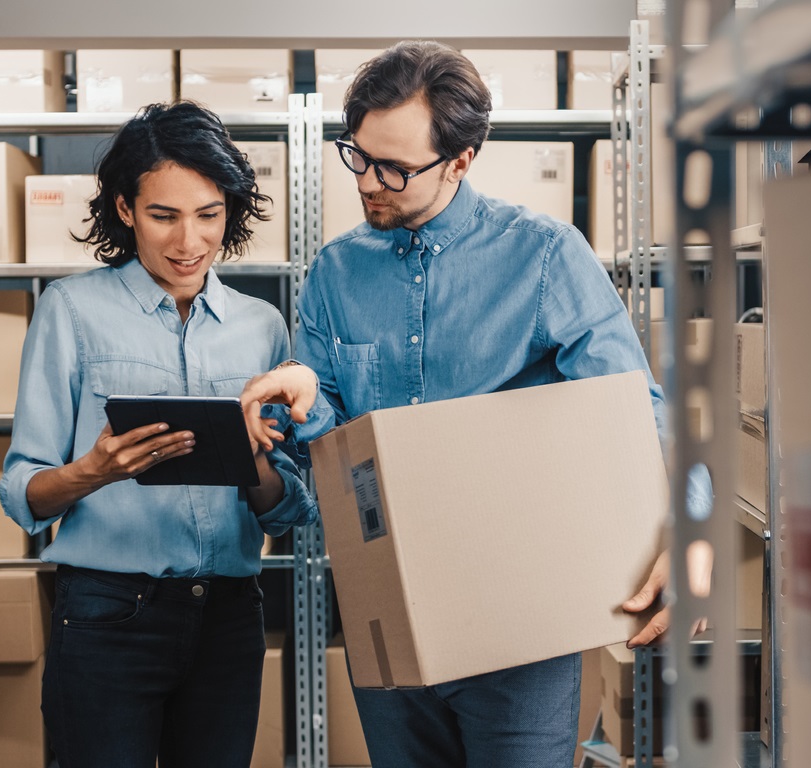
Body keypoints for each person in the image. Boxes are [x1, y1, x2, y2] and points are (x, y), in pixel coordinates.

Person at [238, 41, 683, 768]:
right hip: (389, 617)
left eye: (396, 169)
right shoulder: (335, 273)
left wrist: (686, 522)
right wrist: (304, 410)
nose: (369, 184)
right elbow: (329, 471)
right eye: (358, 156)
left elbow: (635, 412)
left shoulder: (542, 256)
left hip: (522, 626)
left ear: (462, 160)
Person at [0, 101, 318, 768]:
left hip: (229, 617)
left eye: (208, 215)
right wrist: (97, 469)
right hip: (108, 614)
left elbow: (286, 511)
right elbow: (22, 493)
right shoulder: (72, 311)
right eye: (163, 216)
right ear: (123, 209)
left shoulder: (261, 327)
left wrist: (256, 458)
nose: (188, 243)